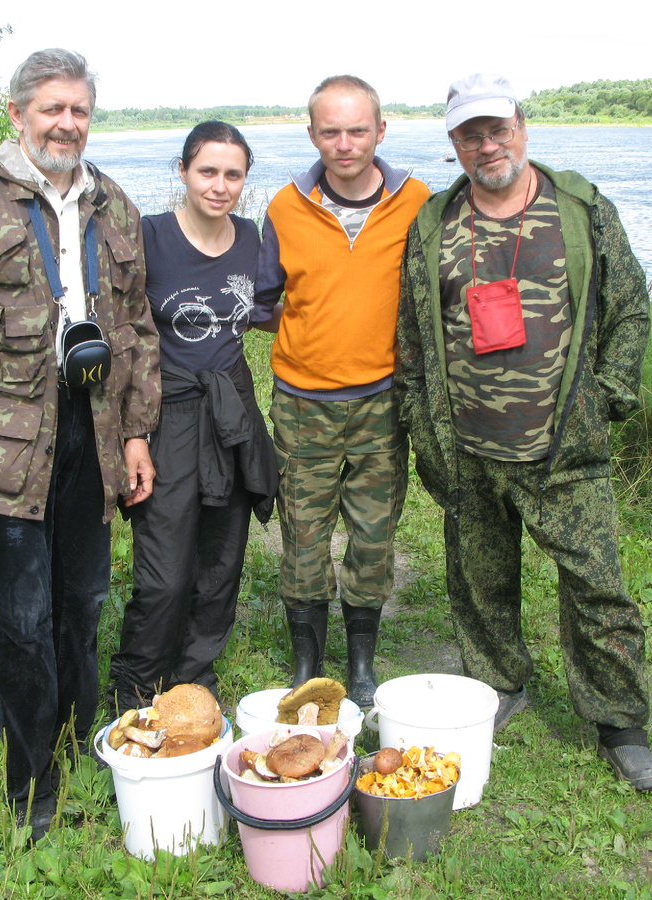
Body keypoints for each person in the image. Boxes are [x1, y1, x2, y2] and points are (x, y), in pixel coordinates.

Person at [0, 48, 160, 841]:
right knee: (21, 616)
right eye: (51, 108)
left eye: (78, 110)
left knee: (81, 601)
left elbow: (139, 326)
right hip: (7, 441)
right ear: (16, 114)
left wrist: (139, 431)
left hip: (94, 428)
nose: (67, 123)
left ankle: (79, 736)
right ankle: (31, 782)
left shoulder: (111, 201)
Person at [395, 73, 652, 790]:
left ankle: (619, 724)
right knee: (480, 583)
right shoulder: (432, 224)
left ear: (522, 126)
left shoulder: (579, 207)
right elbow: (413, 338)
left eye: (497, 127)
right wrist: (423, 423)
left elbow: (630, 306)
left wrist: (607, 395)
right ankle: (501, 684)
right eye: (470, 133)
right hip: (470, 449)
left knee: (597, 587)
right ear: (453, 144)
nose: (488, 144)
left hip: (564, 449)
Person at [252, 76, 429, 708]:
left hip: (383, 400)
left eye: (358, 130)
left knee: (373, 536)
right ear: (312, 135)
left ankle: (361, 663)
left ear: (381, 131)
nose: (345, 143)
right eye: (331, 131)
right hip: (303, 403)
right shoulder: (283, 208)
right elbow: (265, 301)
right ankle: (306, 663)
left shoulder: (418, 202)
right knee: (303, 533)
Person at [107, 123, 278, 714]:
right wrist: (133, 435)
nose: (220, 185)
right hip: (165, 415)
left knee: (221, 562)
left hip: (229, 412)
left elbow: (273, 308)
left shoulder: (253, 239)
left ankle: (192, 687)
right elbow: (123, 335)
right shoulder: (148, 236)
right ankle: (134, 695)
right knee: (164, 574)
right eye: (208, 171)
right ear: (182, 171)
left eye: (233, 174)